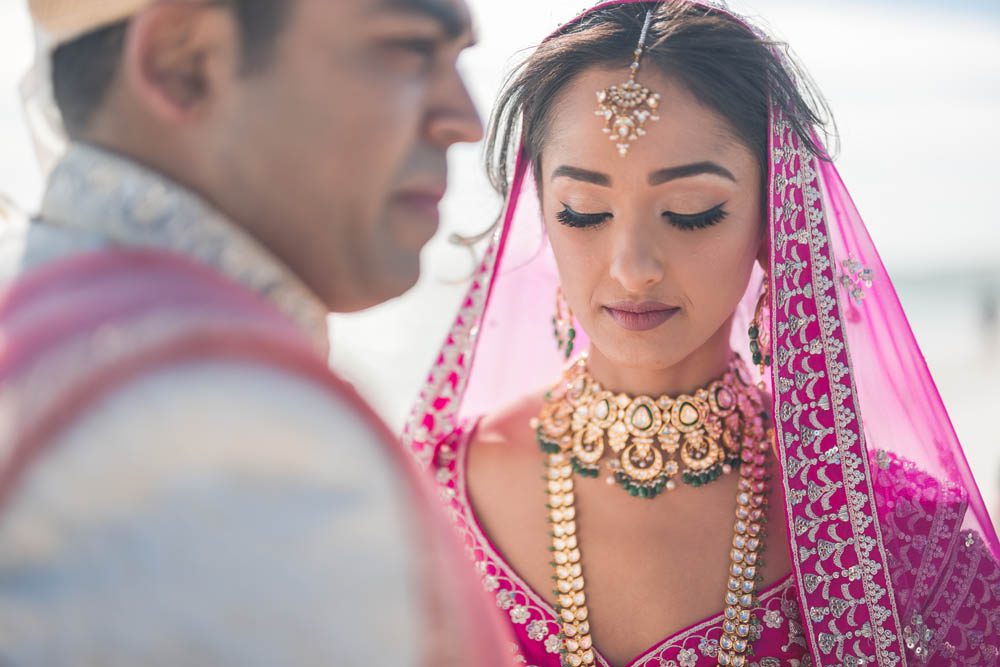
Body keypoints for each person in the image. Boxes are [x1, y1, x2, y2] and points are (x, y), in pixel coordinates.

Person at [404, 1, 1000, 665]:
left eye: (692, 213)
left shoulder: (897, 539)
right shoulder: (429, 496)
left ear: (774, 215)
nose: (632, 269)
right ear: (541, 209)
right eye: (584, 212)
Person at [0, 0, 511, 664]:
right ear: (186, 64)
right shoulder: (220, 427)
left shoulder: (54, 320)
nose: (466, 121)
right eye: (409, 49)